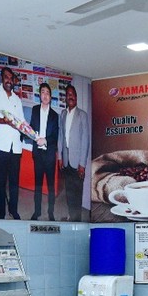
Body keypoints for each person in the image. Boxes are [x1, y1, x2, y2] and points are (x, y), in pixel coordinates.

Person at [0, 66, 26, 219]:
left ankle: (13, 210)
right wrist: (4, 121)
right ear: (1, 78)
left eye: (11, 78)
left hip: (16, 147)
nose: (9, 80)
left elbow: (21, 122)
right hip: (2, 146)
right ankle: (0, 215)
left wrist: (32, 134)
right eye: (6, 77)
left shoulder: (17, 99)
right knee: (1, 183)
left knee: (14, 183)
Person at [58, 84, 91, 221]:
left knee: (77, 193)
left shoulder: (82, 115)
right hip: (66, 161)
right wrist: (60, 158)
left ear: (76, 97)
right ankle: (71, 217)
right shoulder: (63, 114)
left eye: (73, 94)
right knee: (69, 192)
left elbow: (85, 140)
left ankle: (77, 221)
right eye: (68, 94)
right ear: (65, 98)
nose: (70, 97)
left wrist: (82, 164)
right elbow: (60, 136)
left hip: (78, 163)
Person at [29, 83, 59, 220]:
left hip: (49, 155)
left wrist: (45, 140)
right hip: (38, 154)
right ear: (39, 95)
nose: (45, 95)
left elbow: (55, 136)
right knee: (38, 185)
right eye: (43, 92)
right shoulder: (35, 110)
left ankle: (51, 212)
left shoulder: (54, 115)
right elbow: (31, 128)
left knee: (51, 186)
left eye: (47, 93)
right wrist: (28, 132)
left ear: (50, 97)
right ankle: (37, 212)